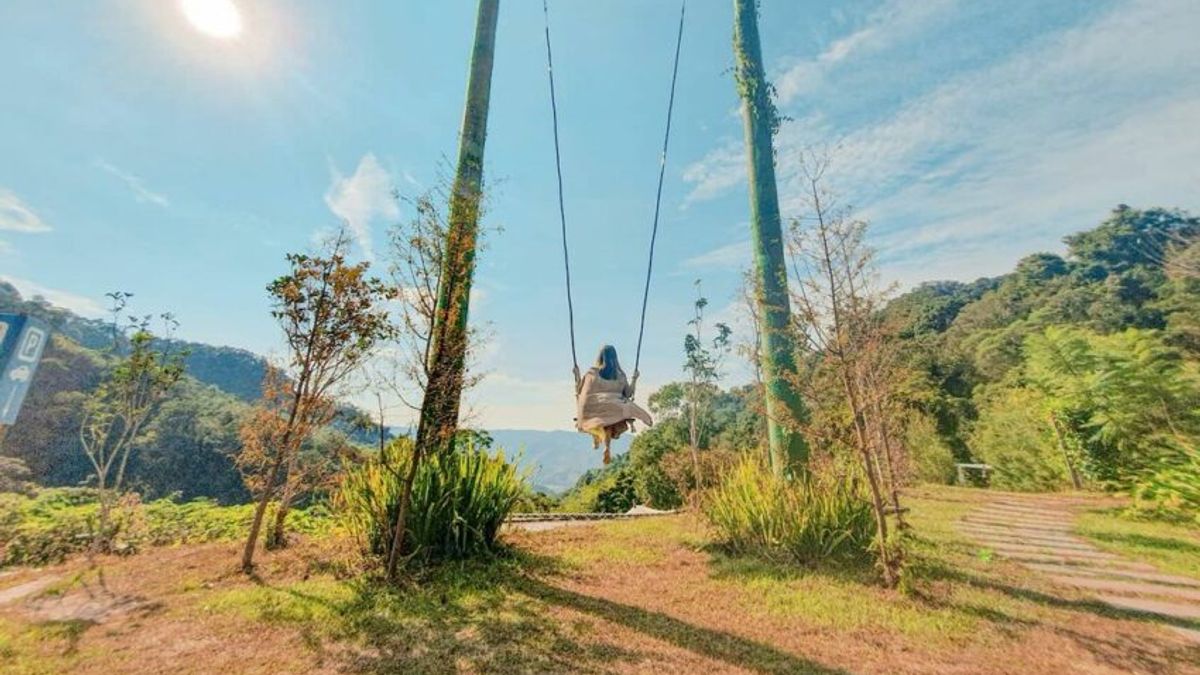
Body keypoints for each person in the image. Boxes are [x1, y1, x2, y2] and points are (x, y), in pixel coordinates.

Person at [575, 345, 653, 464]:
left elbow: (581, 390)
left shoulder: (592, 373)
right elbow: (628, 393)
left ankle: (597, 438)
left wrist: (577, 376)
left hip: (594, 407)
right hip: (615, 406)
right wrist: (634, 379)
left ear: (600, 357)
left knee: (598, 420)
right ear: (615, 358)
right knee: (611, 423)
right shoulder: (619, 375)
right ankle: (606, 445)